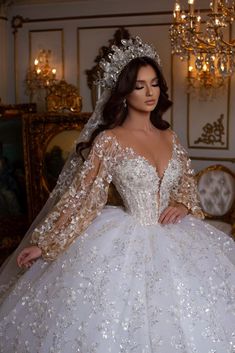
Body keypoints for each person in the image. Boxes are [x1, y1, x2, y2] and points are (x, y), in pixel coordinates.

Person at [0, 37, 234, 353]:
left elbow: (186, 184)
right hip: (126, 239)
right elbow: (82, 198)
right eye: (140, 86)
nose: (150, 93)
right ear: (124, 92)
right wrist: (44, 243)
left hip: (177, 238)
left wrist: (181, 203)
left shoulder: (169, 135)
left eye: (154, 84)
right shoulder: (110, 140)